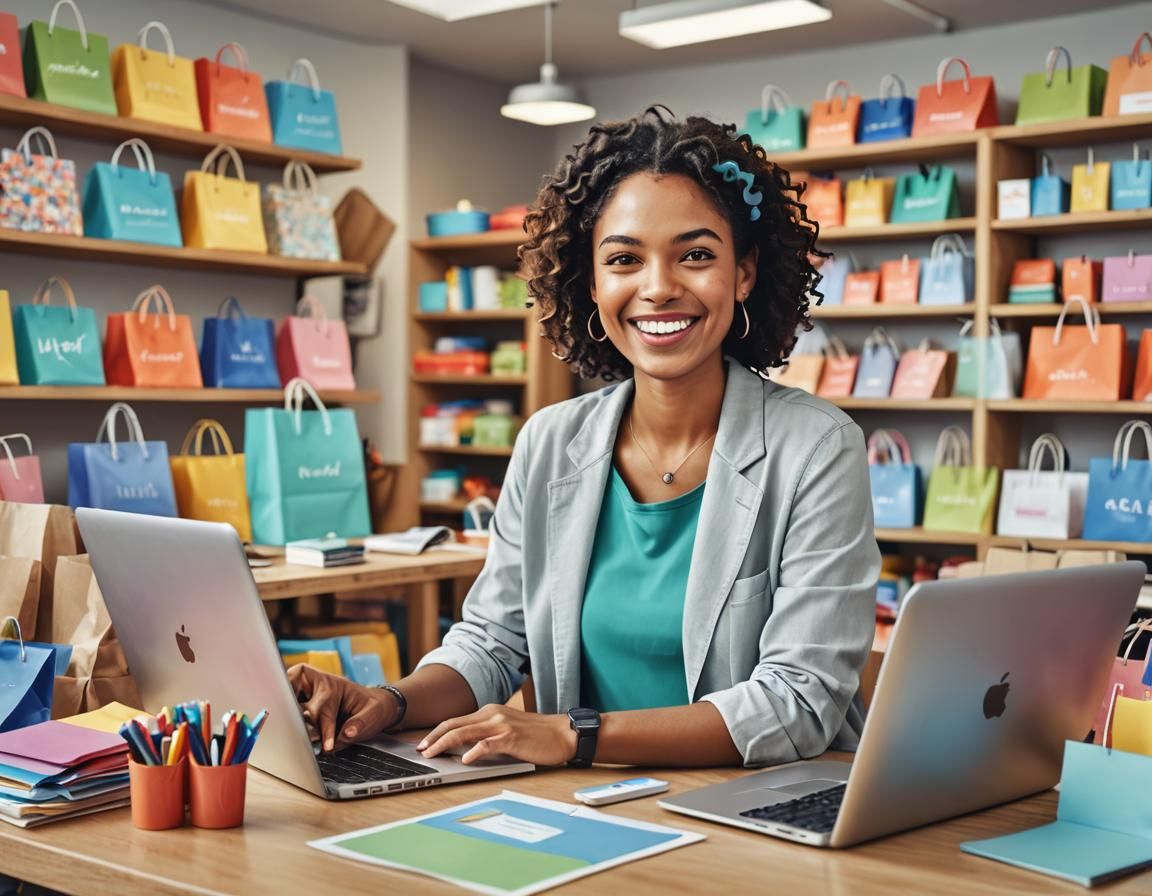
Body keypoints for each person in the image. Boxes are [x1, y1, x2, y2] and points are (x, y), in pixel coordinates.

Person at [290, 106, 880, 769]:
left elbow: (799, 703)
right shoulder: (549, 442)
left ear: (743, 274)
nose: (658, 288)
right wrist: (387, 701)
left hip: (753, 816)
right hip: (585, 805)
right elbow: (490, 642)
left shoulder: (817, 449)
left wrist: (576, 735)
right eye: (625, 259)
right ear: (592, 283)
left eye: (695, 255)